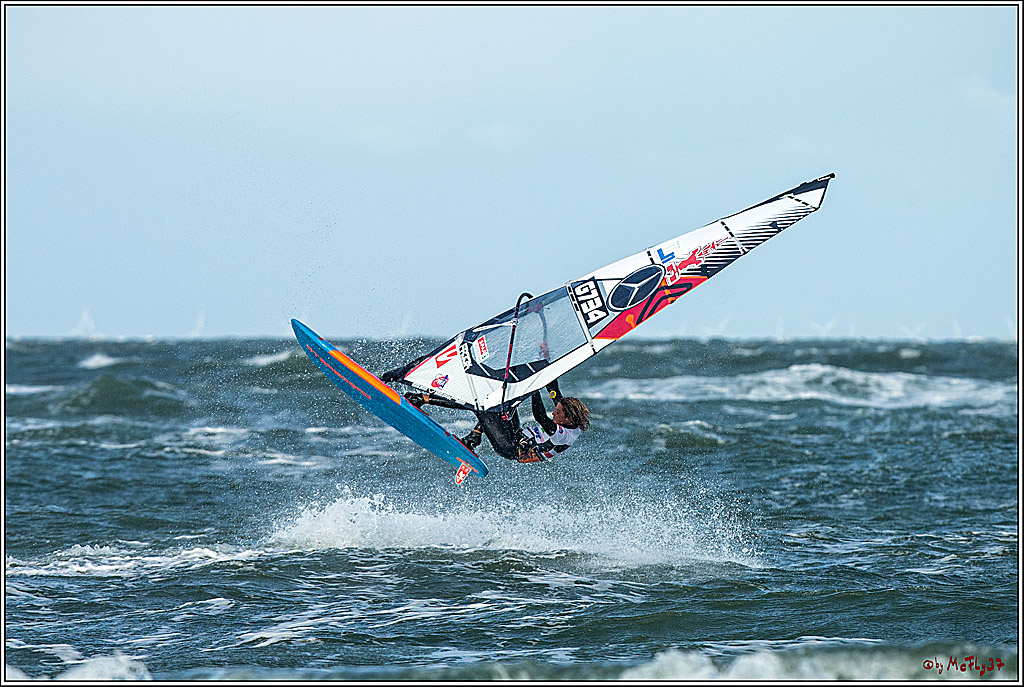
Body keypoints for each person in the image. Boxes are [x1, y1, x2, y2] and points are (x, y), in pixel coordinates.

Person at [405, 380, 590, 463]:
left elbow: (539, 415)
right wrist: (546, 363)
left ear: (568, 419)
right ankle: (473, 438)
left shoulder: (563, 435)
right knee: (503, 403)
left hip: (511, 448)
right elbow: (554, 390)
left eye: (557, 413)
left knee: (481, 406)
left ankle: (422, 399)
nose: (553, 413)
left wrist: (534, 388)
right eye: (556, 410)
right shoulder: (568, 415)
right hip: (517, 436)